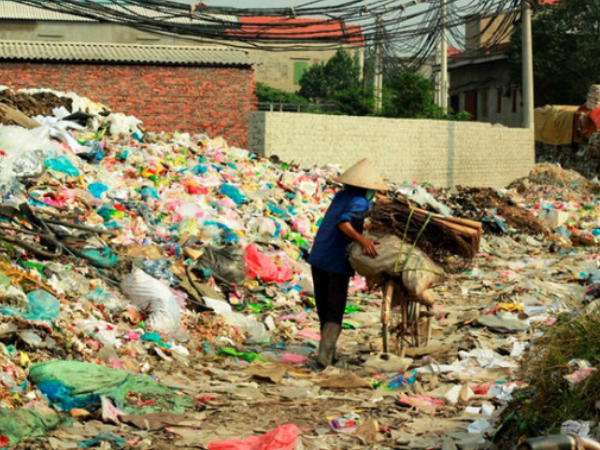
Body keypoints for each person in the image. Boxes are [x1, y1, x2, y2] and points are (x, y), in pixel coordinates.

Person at [307, 158, 390, 368]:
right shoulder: (361, 201)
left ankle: (328, 352)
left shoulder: (341, 196)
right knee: (335, 309)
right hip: (335, 261)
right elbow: (343, 223)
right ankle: (324, 358)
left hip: (318, 256)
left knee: (324, 307)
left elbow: (347, 219)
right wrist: (362, 240)